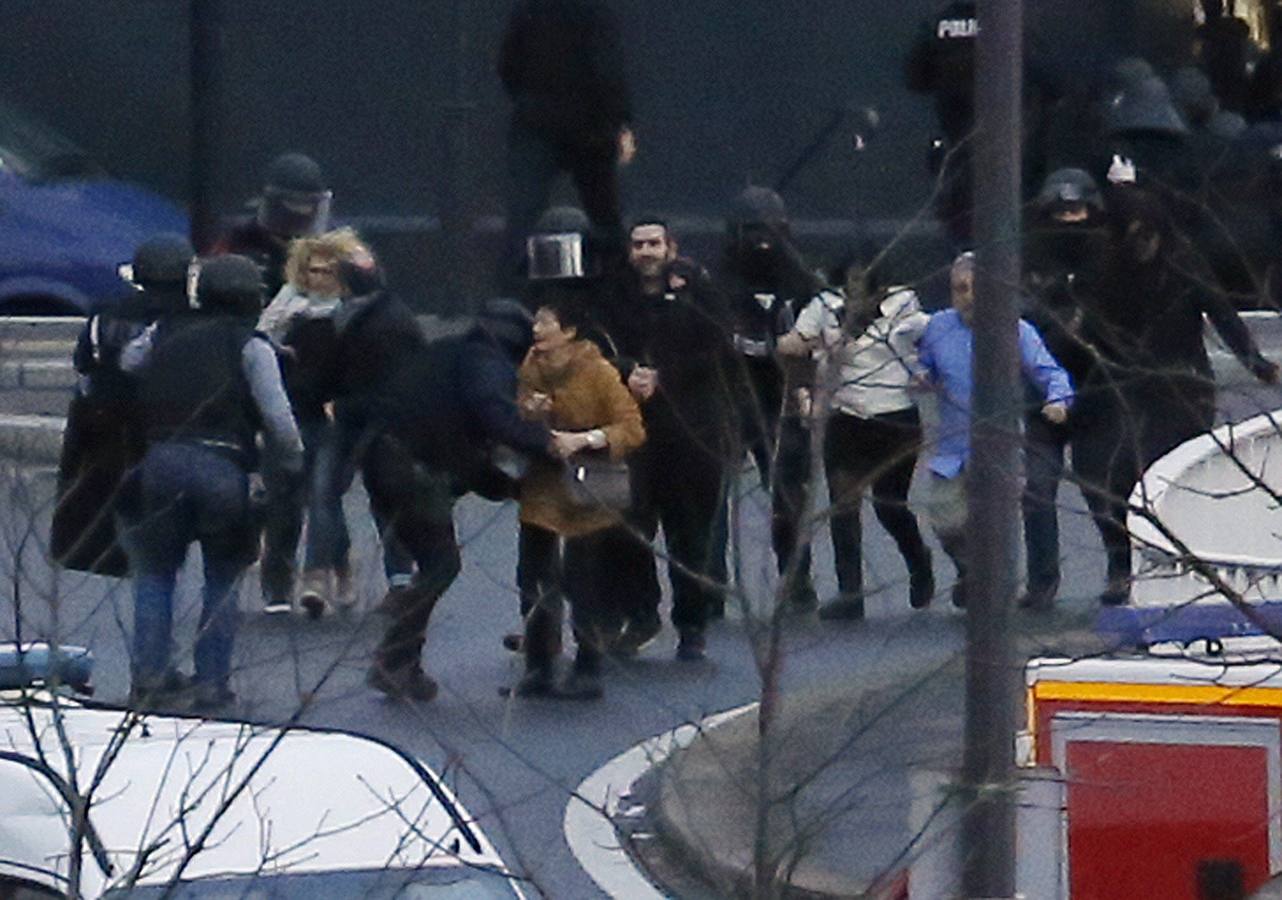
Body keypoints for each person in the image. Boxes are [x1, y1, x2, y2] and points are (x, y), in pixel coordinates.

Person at [318, 242, 557, 701]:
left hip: (385, 459)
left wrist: (501, 485)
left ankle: (401, 662)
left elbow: (460, 443)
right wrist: (544, 445)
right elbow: (491, 417)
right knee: (442, 563)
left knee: (434, 561)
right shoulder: (484, 362)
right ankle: (394, 656)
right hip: (409, 466)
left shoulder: (450, 353)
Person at [1073, 187, 1278, 605]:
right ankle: (1123, 560)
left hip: (1181, 386)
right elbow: (1089, 329)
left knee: (1166, 473)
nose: (1145, 246)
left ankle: (1170, 564)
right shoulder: (1103, 270)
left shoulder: (1182, 262)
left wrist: (1258, 364)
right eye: (1135, 236)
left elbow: (1221, 313)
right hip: (1124, 383)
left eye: (1150, 235)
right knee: (1111, 477)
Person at [122, 255, 303, 711]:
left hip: (160, 462)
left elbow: (129, 361)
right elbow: (278, 418)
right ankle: (211, 681)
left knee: (156, 574)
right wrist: (294, 459)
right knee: (222, 577)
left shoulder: (165, 331)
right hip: (223, 467)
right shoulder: (250, 345)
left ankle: (149, 678)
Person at [595, 219, 735, 658]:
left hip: (690, 432)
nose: (646, 252)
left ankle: (691, 627)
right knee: (628, 529)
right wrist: (625, 370)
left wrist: (665, 377)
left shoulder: (698, 291)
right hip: (634, 433)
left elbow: (717, 349)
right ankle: (641, 615)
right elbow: (595, 346)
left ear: (671, 246)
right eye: (638, 244)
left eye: (654, 243)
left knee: (689, 535)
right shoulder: (615, 293)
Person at [778, 252, 934, 619]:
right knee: (843, 501)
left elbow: (928, 337)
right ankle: (851, 591)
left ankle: (918, 561)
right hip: (846, 417)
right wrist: (811, 349)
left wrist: (924, 368)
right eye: (851, 284)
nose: (857, 293)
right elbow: (793, 343)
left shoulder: (903, 303)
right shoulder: (824, 304)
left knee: (889, 503)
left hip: (894, 417)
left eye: (865, 285)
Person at [915, 253, 1073, 608]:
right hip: (952, 448)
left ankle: (993, 587)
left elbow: (1050, 372)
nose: (968, 297)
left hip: (999, 447)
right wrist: (922, 376)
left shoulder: (1015, 330)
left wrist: (1058, 401)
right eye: (960, 289)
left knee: (993, 522)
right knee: (945, 519)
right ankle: (969, 569)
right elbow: (923, 362)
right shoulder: (939, 326)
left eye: (976, 289)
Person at [512, 293, 645, 699]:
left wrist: (585, 438)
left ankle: (588, 666)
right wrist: (531, 412)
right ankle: (539, 665)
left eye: (545, 322)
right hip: (542, 483)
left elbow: (632, 428)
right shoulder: (530, 367)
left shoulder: (598, 371)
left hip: (588, 486)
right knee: (532, 577)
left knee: (583, 580)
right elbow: (517, 412)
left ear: (568, 331)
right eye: (536, 321)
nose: (536, 329)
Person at [52, 233, 195, 578]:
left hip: (103, 418)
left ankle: (96, 552)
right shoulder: (191, 319)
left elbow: (84, 361)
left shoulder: (106, 313)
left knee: (96, 493)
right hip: (163, 420)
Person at [722, 186, 821, 611]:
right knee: (710, 493)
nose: (761, 243)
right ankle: (709, 582)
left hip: (783, 397)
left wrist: (806, 389)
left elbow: (818, 336)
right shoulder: (720, 282)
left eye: (769, 233)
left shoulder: (802, 283)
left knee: (786, 491)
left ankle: (796, 578)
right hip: (732, 393)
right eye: (752, 232)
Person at [256, 228, 363, 616]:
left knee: (322, 493)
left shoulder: (351, 314)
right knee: (282, 499)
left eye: (328, 271)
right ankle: (281, 584)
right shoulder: (285, 309)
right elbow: (260, 346)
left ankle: (318, 573)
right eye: (313, 270)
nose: (319, 278)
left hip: (332, 415)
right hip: (291, 409)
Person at [1019, 169, 1110, 611]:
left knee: (1104, 488)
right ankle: (1042, 582)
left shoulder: (1109, 257)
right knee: (1036, 488)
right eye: (1059, 212)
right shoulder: (1029, 259)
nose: (1068, 220)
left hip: (1099, 390)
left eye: (1076, 211)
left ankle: (1121, 569)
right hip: (1042, 392)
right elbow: (1018, 314)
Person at [498, 0, 635, 286]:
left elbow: (507, 63)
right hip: (590, 127)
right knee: (605, 218)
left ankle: (515, 299)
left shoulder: (529, 8)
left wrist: (530, 99)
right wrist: (618, 123)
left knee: (522, 219)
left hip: (536, 120)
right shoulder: (595, 10)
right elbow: (607, 68)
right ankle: (621, 294)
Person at [215, 152, 332, 299]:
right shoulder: (240, 237)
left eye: (307, 206)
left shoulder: (328, 248)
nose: (299, 216)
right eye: (292, 208)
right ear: (272, 205)